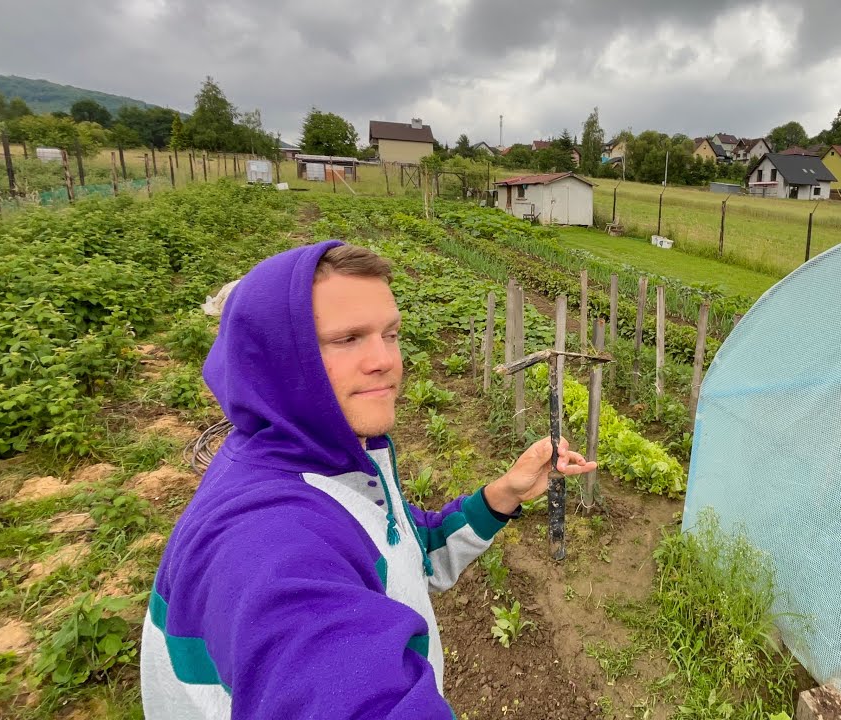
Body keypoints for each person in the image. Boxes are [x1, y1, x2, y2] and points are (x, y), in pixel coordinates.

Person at [141, 240, 595, 718]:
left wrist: (505, 493)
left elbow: (405, 553)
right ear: (279, 359)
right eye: (347, 338)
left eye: (391, 334)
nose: (386, 360)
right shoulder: (265, 539)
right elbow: (328, 673)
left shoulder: (332, 465)